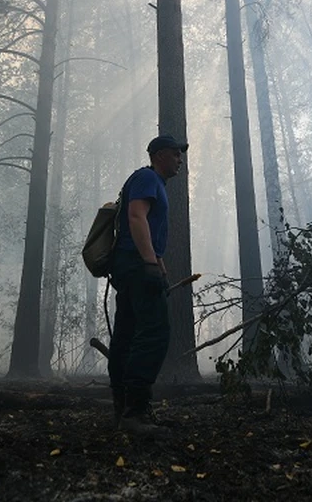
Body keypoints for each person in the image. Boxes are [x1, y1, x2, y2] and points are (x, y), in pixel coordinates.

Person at [107, 134, 188, 435]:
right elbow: (136, 217)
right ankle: (135, 413)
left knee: (127, 335)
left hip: (133, 264)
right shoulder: (146, 177)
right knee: (155, 333)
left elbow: (149, 231)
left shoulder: (155, 184)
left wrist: (160, 266)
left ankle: (124, 412)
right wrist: (149, 263)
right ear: (159, 155)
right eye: (176, 154)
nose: (180, 160)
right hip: (136, 264)